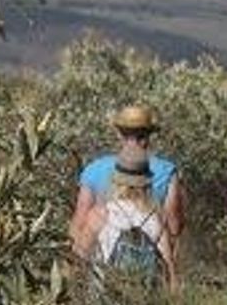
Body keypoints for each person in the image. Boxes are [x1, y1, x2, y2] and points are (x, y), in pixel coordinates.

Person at [72, 104, 184, 263]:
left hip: (104, 272)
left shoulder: (93, 169)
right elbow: (174, 227)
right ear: (149, 135)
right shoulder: (167, 171)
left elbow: (79, 224)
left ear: (118, 134)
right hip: (150, 274)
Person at [73, 147, 176, 287]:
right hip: (146, 300)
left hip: (105, 302)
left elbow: (79, 257)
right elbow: (169, 273)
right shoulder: (156, 218)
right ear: (146, 182)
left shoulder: (100, 214)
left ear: (116, 180)